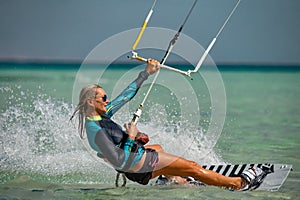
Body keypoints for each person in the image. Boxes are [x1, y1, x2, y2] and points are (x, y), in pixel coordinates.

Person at [70, 58, 266, 191]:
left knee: (158, 148)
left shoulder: (100, 116)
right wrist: (130, 136)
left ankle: (174, 179)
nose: (107, 100)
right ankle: (238, 183)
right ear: (90, 102)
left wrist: (146, 73)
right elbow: (120, 161)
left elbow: (125, 96)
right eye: (103, 98)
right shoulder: (95, 130)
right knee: (193, 167)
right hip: (138, 165)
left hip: (138, 163)